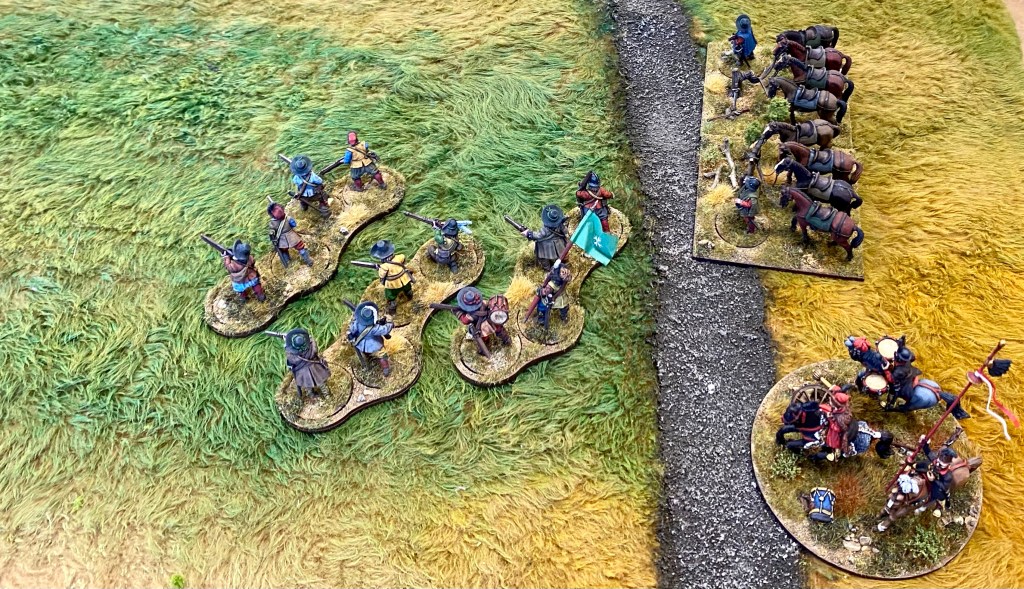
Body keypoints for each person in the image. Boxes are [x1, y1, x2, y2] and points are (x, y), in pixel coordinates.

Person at [452, 286, 510, 353]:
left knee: (485, 339)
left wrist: (458, 312)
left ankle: (484, 350)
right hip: (490, 322)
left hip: (484, 326)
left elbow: (465, 321)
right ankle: (506, 340)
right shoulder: (483, 302)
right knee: (498, 331)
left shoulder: (471, 316)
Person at [346, 302, 393, 376]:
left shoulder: (357, 323)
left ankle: (369, 359)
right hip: (374, 345)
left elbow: (352, 329)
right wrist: (390, 323)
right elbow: (384, 330)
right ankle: (385, 369)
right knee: (382, 355)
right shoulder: (374, 328)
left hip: (361, 344)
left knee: (366, 353)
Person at [282, 328, 331, 399]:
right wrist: (309, 338)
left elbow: (291, 360)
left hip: (302, 372)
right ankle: (327, 395)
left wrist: (287, 343)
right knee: (321, 382)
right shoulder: (311, 347)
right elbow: (314, 346)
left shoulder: (291, 354)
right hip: (315, 367)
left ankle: (312, 395)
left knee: (308, 385)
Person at [370, 240, 413, 314]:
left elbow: (382, 275)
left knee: (390, 294)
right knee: (407, 287)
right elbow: (403, 258)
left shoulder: (384, 267)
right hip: (404, 279)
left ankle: (392, 305)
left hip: (393, 284)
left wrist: (379, 269)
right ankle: (409, 294)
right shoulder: (399, 257)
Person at [521, 205, 568, 271]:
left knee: (543, 258)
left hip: (547, 247)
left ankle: (548, 269)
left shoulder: (545, 229)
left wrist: (528, 233)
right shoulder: (560, 225)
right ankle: (561, 264)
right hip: (560, 244)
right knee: (560, 257)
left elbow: (539, 236)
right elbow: (565, 231)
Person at [267, 202, 313, 268]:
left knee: (298, 248)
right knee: (286, 251)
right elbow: (293, 225)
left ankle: (307, 261)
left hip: (286, 239)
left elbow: (272, 232)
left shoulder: (275, 222)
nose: (278, 210)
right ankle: (291, 264)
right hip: (287, 238)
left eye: (278, 208)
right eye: (275, 209)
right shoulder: (275, 222)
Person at [536, 263, 573, 329]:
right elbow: (547, 279)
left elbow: (562, 288)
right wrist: (544, 288)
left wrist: (554, 297)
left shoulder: (564, 277)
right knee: (542, 305)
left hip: (558, 293)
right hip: (549, 289)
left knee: (563, 306)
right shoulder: (553, 272)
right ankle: (541, 318)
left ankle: (564, 316)